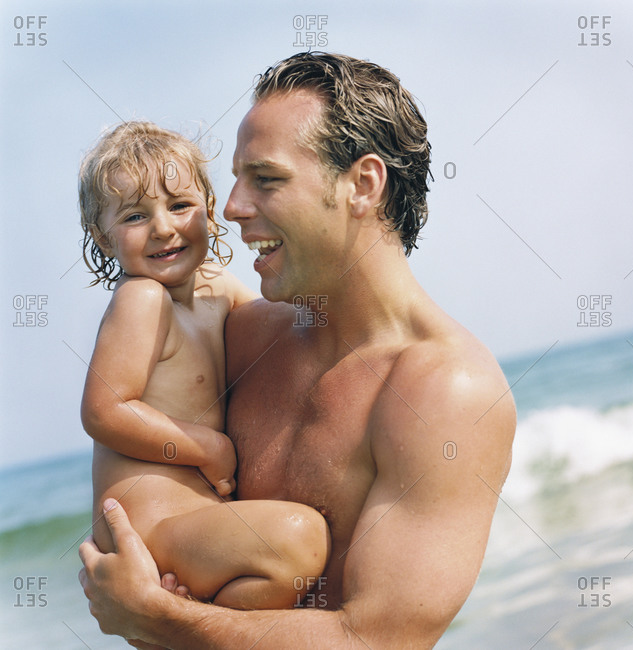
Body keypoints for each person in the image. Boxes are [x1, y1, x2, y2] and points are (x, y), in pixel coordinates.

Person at [79, 52, 516, 648]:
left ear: (362, 185)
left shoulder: (447, 392)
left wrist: (163, 620)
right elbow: (131, 446)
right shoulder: (241, 335)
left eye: (266, 178)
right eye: (234, 179)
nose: (230, 207)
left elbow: (378, 640)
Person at [78, 121, 330, 607]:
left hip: (190, 526)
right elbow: (104, 411)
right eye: (134, 216)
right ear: (104, 238)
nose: (163, 228)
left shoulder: (215, 287)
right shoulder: (142, 299)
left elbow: (284, 317)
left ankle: (190, 619)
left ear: (210, 210)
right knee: (300, 538)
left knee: (296, 563)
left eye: (179, 206)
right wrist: (206, 448)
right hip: (149, 532)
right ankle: (179, 624)